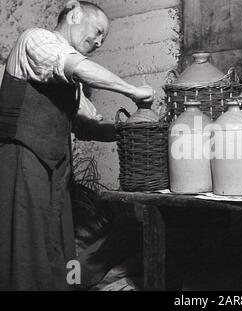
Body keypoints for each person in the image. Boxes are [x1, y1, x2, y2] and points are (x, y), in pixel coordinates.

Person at [0, 0, 156, 290]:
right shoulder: (35, 40)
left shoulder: (72, 84)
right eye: (97, 31)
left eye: (102, 39)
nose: (98, 42)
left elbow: (87, 127)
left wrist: (133, 130)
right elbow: (77, 66)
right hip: (24, 159)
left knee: (58, 246)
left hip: (56, 169)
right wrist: (133, 91)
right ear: (73, 12)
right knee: (27, 247)